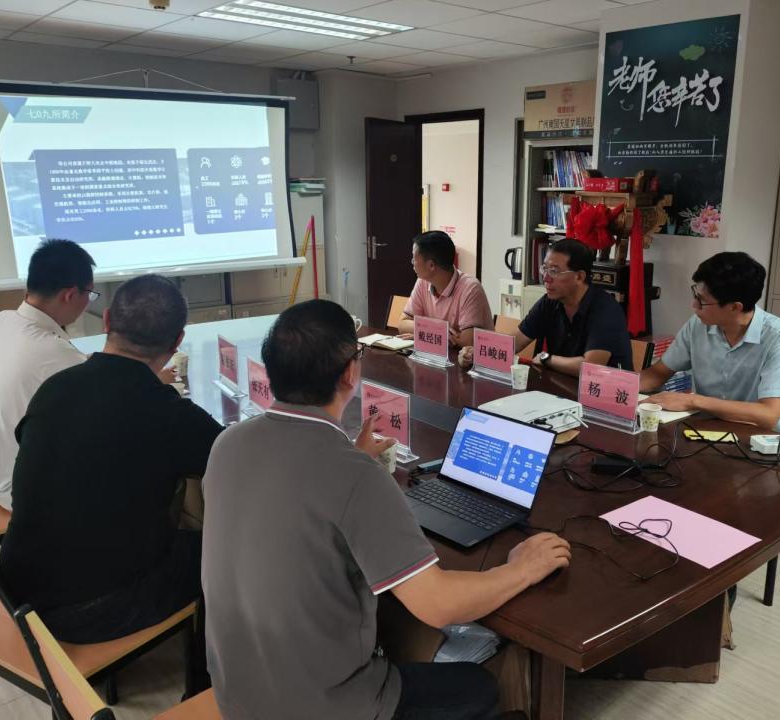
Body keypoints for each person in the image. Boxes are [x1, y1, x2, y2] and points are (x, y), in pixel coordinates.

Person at [202, 299, 571, 720]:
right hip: (325, 707)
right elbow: (439, 604)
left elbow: (287, 497)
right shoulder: (353, 475)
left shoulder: (228, 443)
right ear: (350, 373)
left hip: (236, 693)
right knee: (477, 686)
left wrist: (352, 459)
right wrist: (524, 568)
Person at [0, 274, 223, 643]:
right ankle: (207, 669)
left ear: (106, 320)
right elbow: (234, 460)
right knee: (222, 547)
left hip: (17, 591)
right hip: (88, 613)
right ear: (177, 342)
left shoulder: (55, 387)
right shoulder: (167, 413)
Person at [0, 239, 96, 510]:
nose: (88, 302)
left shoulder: (0, 320)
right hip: (24, 491)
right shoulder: (52, 351)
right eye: (89, 293)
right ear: (70, 295)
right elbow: (108, 402)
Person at [639, 252, 780, 432]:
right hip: (704, 432)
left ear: (735, 307)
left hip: (761, 440)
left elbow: (768, 415)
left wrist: (693, 400)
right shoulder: (697, 325)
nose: (694, 306)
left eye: (703, 301)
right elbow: (657, 374)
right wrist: (622, 387)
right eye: (696, 295)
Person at [461, 238, 631, 375]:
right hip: (562, 388)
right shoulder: (550, 302)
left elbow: (590, 367)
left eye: (554, 271)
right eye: (545, 269)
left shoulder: (605, 310)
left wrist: (546, 358)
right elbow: (514, 343)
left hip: (604, 397)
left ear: (579, 277)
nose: (546, 278)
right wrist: (477, 352)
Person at [397, 230, 493, 347]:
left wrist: (423, 334)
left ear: (431, 265)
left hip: (468, 358)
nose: (412, 262)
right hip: (438, 354)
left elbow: (467, 341)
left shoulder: (470, 288)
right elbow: (402, 324)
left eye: (414, 258)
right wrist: (433, 331)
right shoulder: (423, 282)